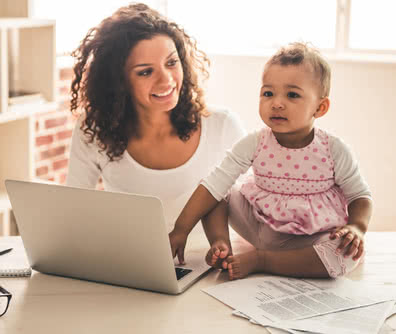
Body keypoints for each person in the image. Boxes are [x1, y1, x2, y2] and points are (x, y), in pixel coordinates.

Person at [169, 42, 373, 279]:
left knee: (346, 255)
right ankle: (222, 245)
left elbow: (360, 196)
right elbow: (214, 184)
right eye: (268, 93)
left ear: (320, 107)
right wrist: (180, 230)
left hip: (307, 239)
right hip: (258, 227)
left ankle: (263, 260)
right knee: (217, 189)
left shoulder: (333, 149)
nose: (276, 103)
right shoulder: (255, 142)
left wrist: (357, 227)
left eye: (292, 94)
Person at [66, 3, 246, 233]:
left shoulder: (222, 125)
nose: (166, 80)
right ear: (119, 82)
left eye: (171, 63)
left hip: (208, 265)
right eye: (145, 71)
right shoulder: (94, 129)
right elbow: (74, 211)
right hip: (129, 262)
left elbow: (256, 210)